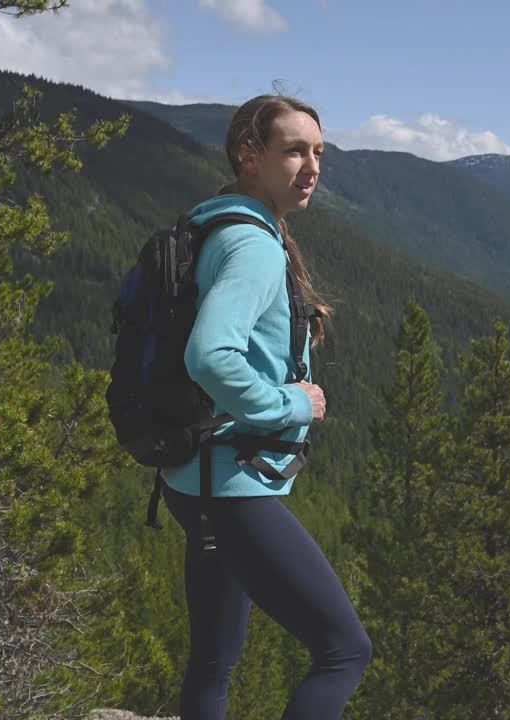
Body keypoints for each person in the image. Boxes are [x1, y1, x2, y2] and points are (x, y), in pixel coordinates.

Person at [159, 94, 371, 720]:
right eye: (294, 151)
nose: (311, 167)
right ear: (249, 156)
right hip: (233, 484)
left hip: (192, 474)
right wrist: (290, 404)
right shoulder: (254, 246)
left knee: (214, 662)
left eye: (318, 153)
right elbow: (210, 356)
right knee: (344, 651)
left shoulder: (211, 224)